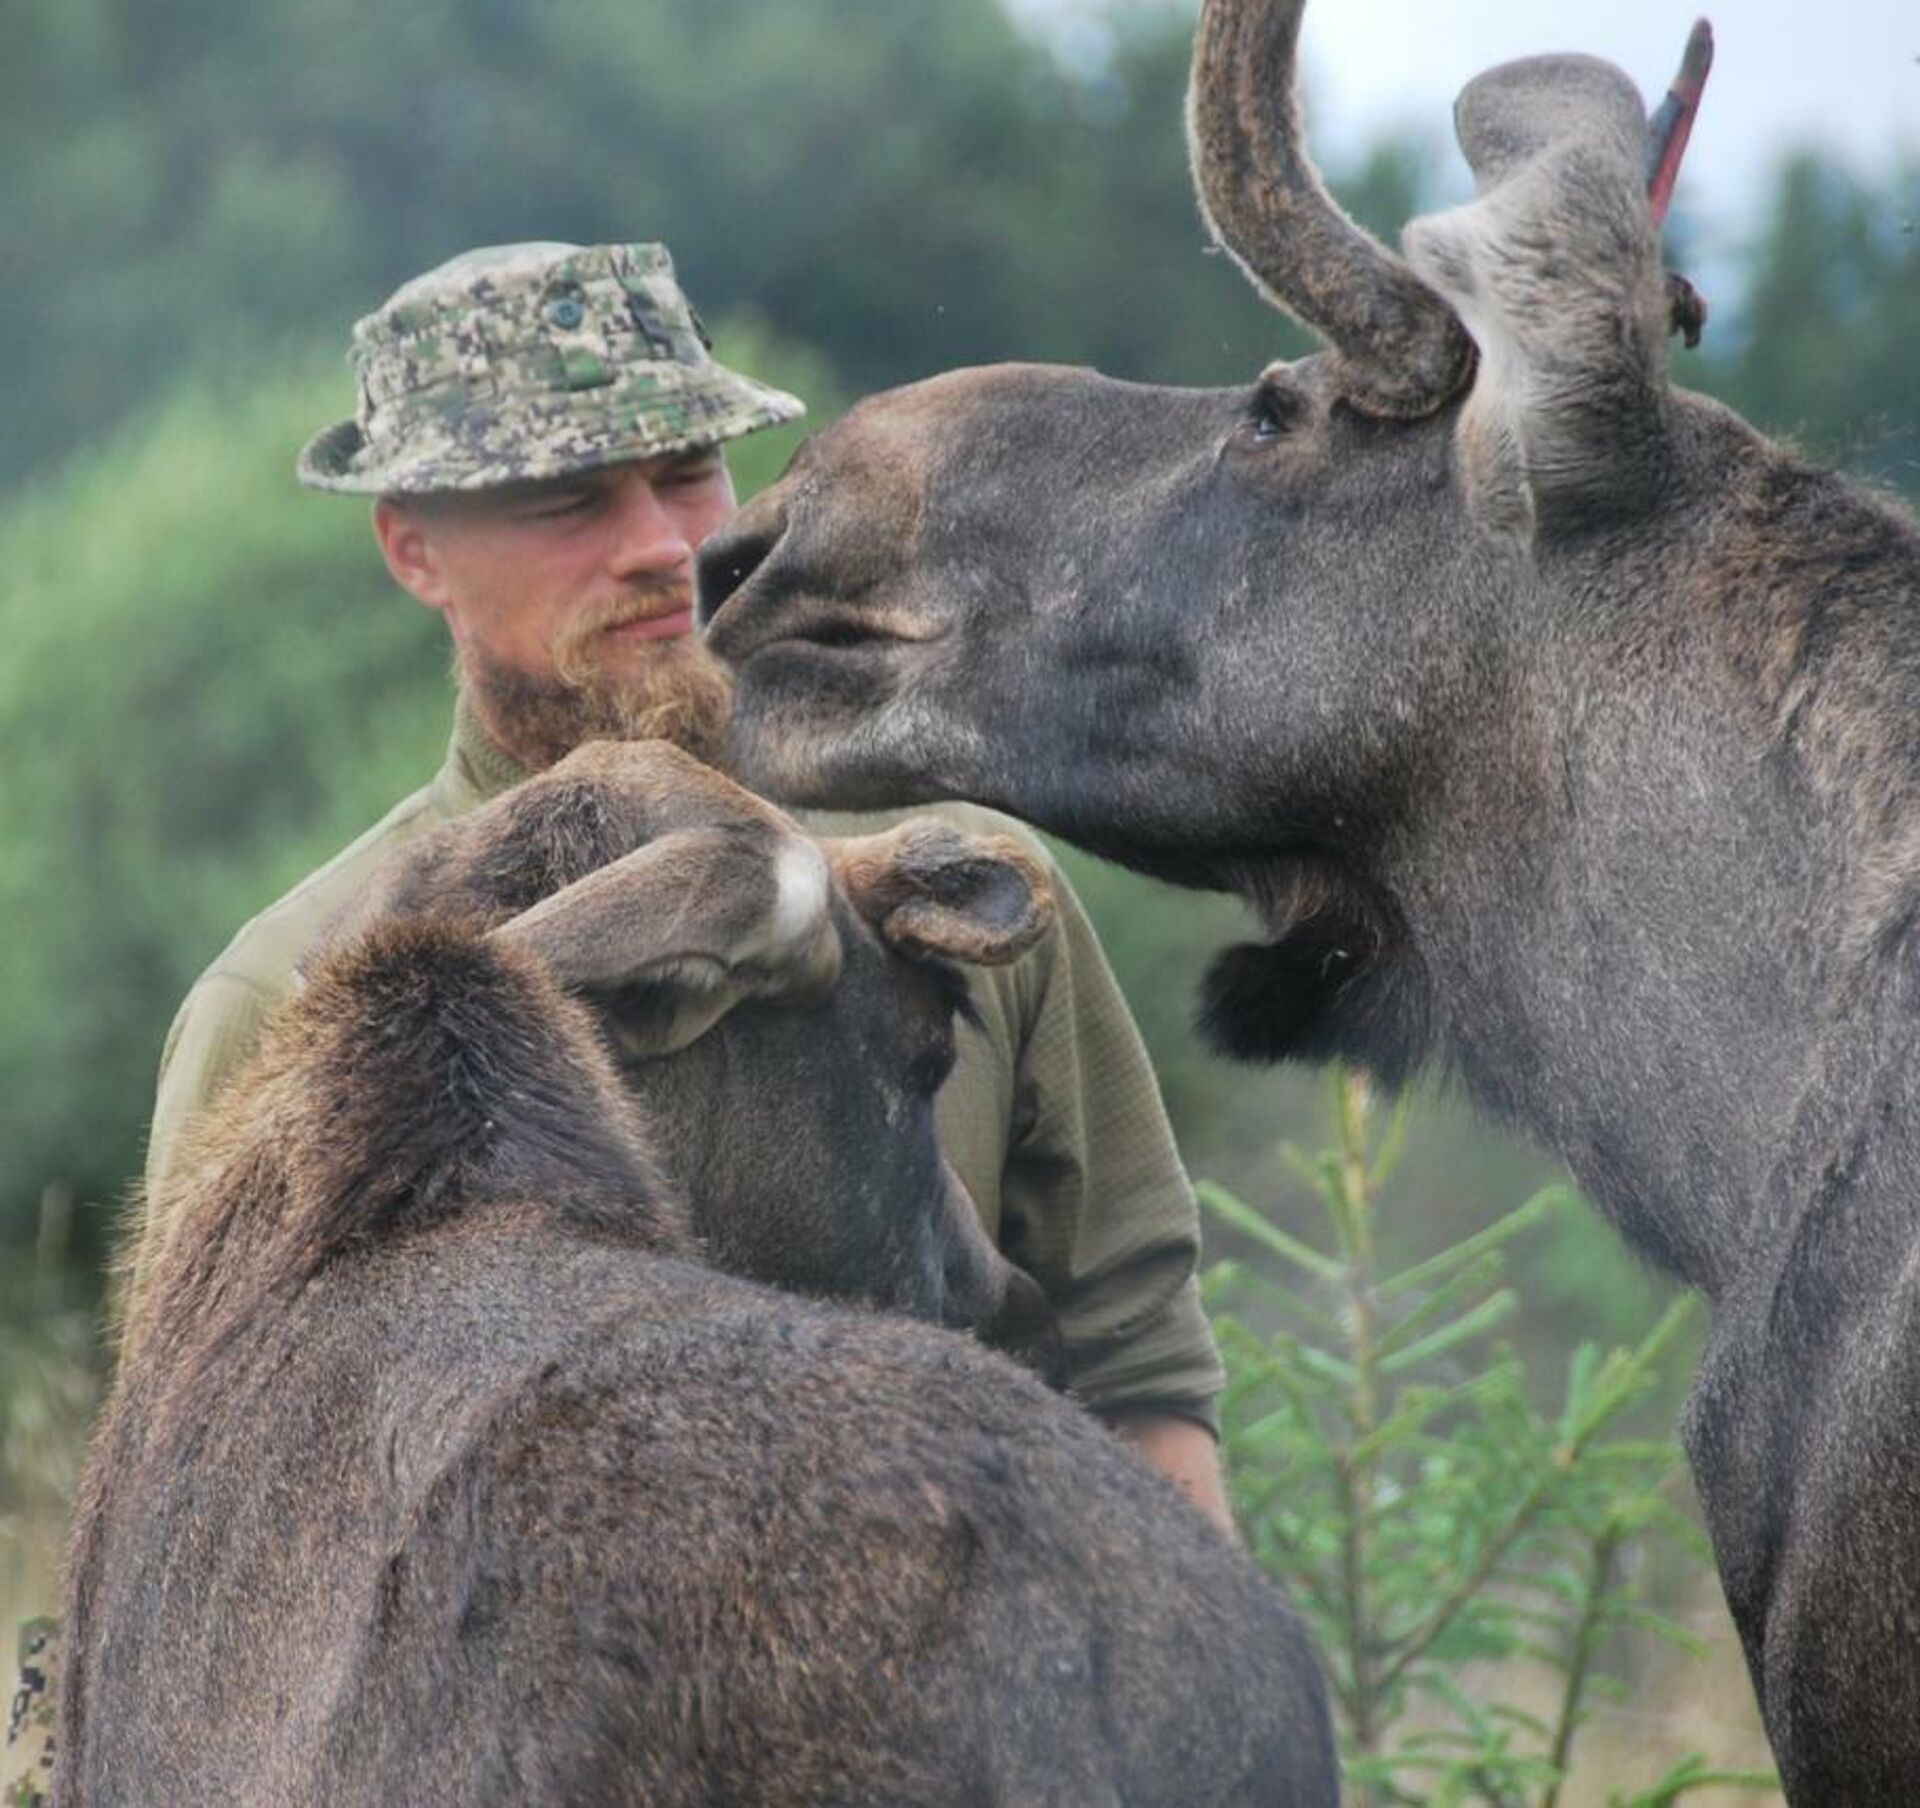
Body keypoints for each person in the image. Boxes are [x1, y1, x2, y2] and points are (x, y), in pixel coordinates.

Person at [6, 240, 1228, 1806]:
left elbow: (1133, 1363)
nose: (666, 547)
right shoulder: (291, 994)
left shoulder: (954, 896)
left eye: (692, 474)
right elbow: (209, 1504)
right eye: (572, 502)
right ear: (413, 549)